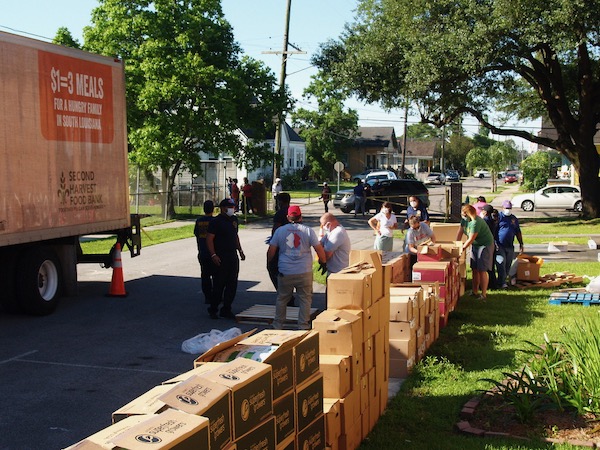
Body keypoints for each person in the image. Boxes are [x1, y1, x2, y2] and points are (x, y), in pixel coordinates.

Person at [267, 205, 326, 330]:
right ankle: (303, 326)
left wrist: (270, 263)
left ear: (288, 217)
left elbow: (271, 250)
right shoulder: (308, 231)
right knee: (305, 299)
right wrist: (323, 261)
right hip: (303, 271)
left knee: (282, 298)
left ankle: (278, 325)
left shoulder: (280, 231)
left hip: (285, 271)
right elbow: (318, 248)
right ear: (301, 216)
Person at [206, 198, 246, 319]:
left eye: (233, 207)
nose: (232, 209)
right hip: (220, 256)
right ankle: (213, 308)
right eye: (230, 207)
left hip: (232, 255)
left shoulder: (233, 220)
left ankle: (226, 308)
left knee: (232, 283)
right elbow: (209, 239)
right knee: (219, 284)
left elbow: (235, 236)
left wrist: (240, 250)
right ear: (223, 208)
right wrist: (213, 255)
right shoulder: (216, 221)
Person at [458, 204, 495, 300]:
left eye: (464, 214)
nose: (463, 216)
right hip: (475, 245)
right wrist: (456, 244)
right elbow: (460, 232)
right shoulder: (464, 221)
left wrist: (461, 249)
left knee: (482, 270)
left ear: (468, 214)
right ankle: (474, 291)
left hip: (484, 245)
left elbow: (470, 239)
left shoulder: (475, 222)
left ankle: (483, 294)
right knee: (474, 268)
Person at [266, 193, 295, 306]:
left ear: (281, 202)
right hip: (292, 245)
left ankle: (285, 295)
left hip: (280, 246)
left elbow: (276, 230)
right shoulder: (292, 211)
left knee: (272, 267)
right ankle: (288, 294)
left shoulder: (280, 213)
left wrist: (273, 243)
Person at [496, 200, 524, 288]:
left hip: (510, 246)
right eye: (506, 208)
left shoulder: (513, 219)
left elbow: (518, 231)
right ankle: (502, 282)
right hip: (499, 245)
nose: (508, 210)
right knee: (501, 264)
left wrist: (521, 243)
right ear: (502, 208)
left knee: (508, 264)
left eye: (509, 208)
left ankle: (504, 280)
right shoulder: (499, 217)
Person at [193, 200, 215, 304]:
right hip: (214, 252)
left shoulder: (199, 221)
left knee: (205, 275)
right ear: (213, 209)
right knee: (216, 275)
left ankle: (207, 296)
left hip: (202, 251)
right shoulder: (215, 221)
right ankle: (216, 294)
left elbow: (196, 234)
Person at [481, 204, 499, 289]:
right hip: (493, 244)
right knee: (491, 265)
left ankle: (488, 284)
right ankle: (493, 283)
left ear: (485, 212)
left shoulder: (485, 221)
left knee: (486, 266)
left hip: (486, 244)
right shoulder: (493, 220)